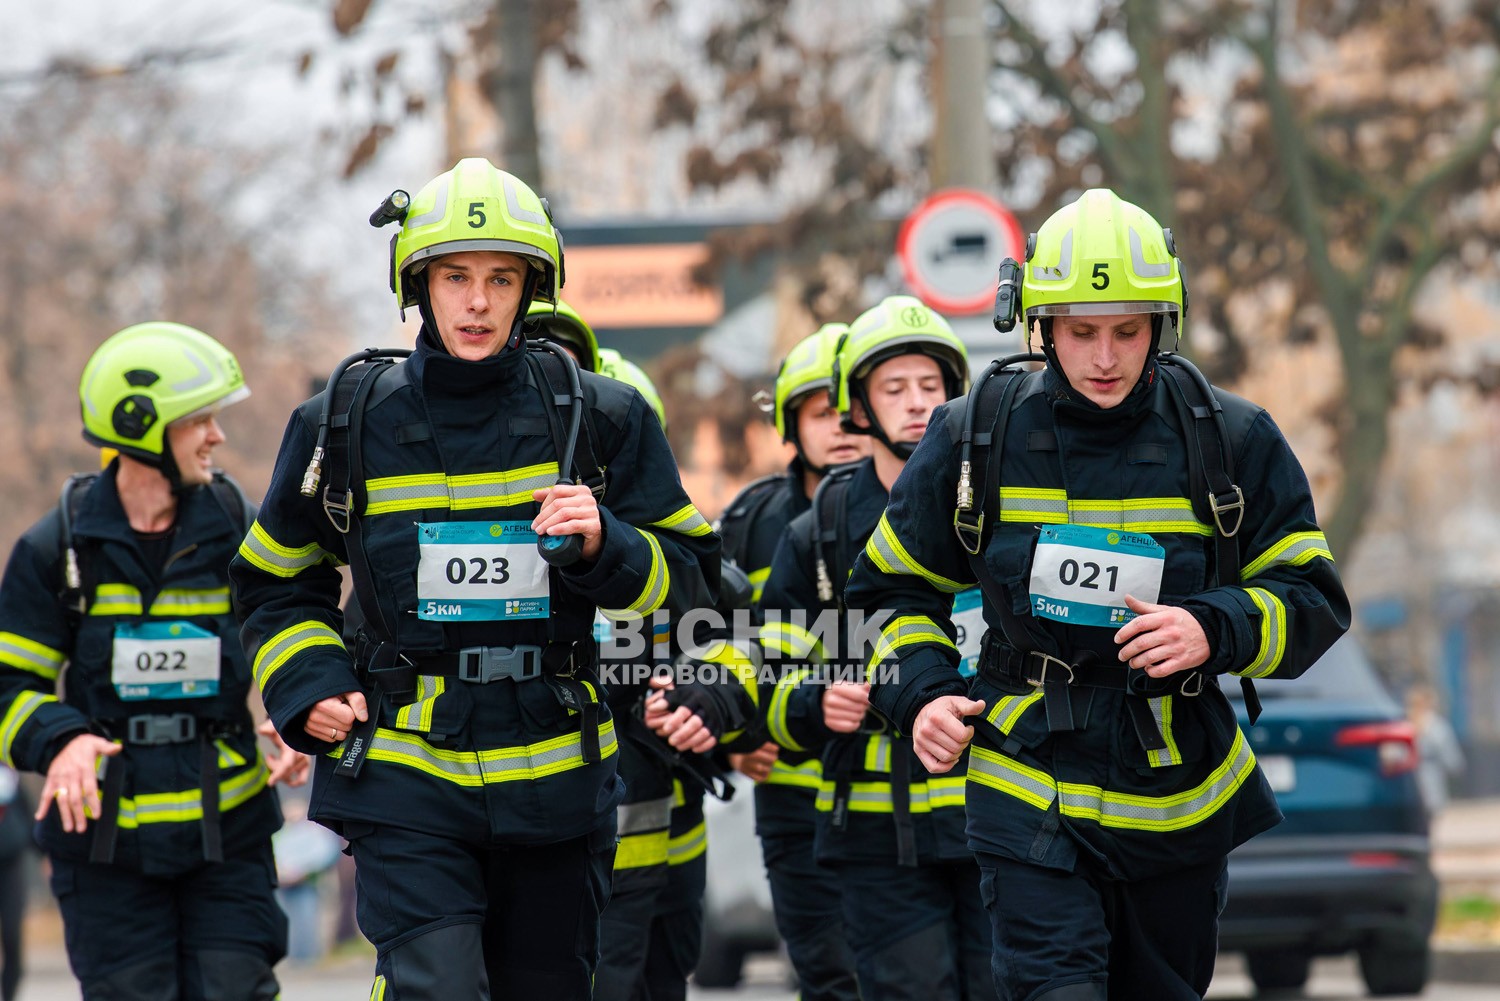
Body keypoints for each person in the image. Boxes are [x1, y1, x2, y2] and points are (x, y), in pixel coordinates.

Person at [229, 157, 719, 999]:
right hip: (404, 772)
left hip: (557, 774)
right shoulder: (340, 423)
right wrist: (308, 681)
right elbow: (276, 583)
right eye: (456, 277)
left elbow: (696, 593)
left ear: (535, 286)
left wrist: (610, 545)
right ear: (417, 283)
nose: (479, 302)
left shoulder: (602, 417)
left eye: (502, 277)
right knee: (438, 985)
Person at [845, 188, 1351, 1000]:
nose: (1106, 356)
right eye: (1081, 332)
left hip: (1177, 798)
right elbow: (888, 594)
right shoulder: (974, 434)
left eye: (1128, 330)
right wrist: (923, 696)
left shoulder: (1234, 438)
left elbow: (1313, 599)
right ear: (1038, 325)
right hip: (1024, 781)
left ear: (1163, 321)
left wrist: (1212, 628)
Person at [0, 321, 309, 999]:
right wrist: (61, 738)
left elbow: (290, 629)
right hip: (106, 853)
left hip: (227, 837)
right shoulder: (58, 548)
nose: (217, 436)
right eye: (199, 419)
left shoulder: (238, 527)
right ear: (141, 426)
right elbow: (8, 686)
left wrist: (295, 711)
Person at [759, 296, 996, 1000]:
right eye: (894, 388)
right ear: (857, 405)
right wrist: (811, 701)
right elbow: (764, 664)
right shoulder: (821, 529)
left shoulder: (1002, 504)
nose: (916, 404)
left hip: (997, 814)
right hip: (872, 833)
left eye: (930, 386)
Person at [714, 323, 864, 1001]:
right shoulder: (753, 523)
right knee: (826, 972)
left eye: (854, 408)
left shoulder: (926, 511)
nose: (843, 426)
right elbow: (718, 646)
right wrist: (736, 743)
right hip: (795, 793)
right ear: (787, 422)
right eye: (821, 411)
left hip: (904, 794)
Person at [1407, 684, 1464, 815]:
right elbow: (1446, 749)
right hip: (1430, 773)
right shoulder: (1435, 724)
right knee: (1431, 809)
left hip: (1408, 777)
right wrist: (1455, 766)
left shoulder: (1404, 722)